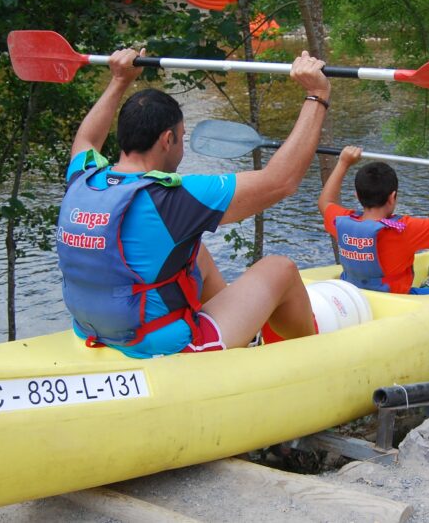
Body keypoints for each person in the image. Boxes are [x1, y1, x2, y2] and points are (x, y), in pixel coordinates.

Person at [57, 47, 330, 358]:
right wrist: (316, 94)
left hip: (94, 331)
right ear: (166, 140)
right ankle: (312, 357)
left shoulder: (84, 177)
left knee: (194, 250)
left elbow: (86, 140)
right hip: (165, 345)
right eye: (181, 137)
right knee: (280, 268)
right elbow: (281, 181)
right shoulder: (172, 199)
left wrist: (119, 80)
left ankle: (247, 338)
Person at [318, 147, 429, 294]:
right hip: (396, 299)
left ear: (357, 195)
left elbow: (325, 202)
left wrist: (343, 163)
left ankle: (426, 286)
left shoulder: (341, 221)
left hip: (355, 294)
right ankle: (428, 287)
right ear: (392, 197)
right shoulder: (403, 229)